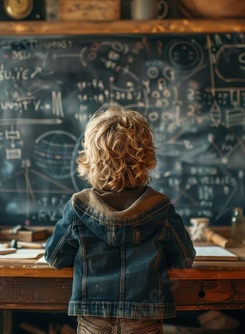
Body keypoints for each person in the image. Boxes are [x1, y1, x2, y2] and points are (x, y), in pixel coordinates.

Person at [44, 107, 196, 333]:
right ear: (145, 158)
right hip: (144, 317)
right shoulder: (160, 207)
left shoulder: (78, 207)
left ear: (91, 158)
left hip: (93, 317)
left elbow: (54, 257)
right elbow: (184, 259)